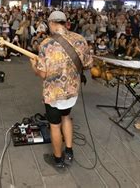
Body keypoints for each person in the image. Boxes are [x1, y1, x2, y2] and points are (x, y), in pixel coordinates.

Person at [30, 11, 92, 170]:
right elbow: (88, 64)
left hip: (54, 94)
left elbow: (43, 74)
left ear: (51, 23)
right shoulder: (80, 39)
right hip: (72, 91)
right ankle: (69, 152)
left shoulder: (46, 44)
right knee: (67, 118)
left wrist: (33, 67)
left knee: (55, 125)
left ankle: (58, 160)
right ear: (65, 23)